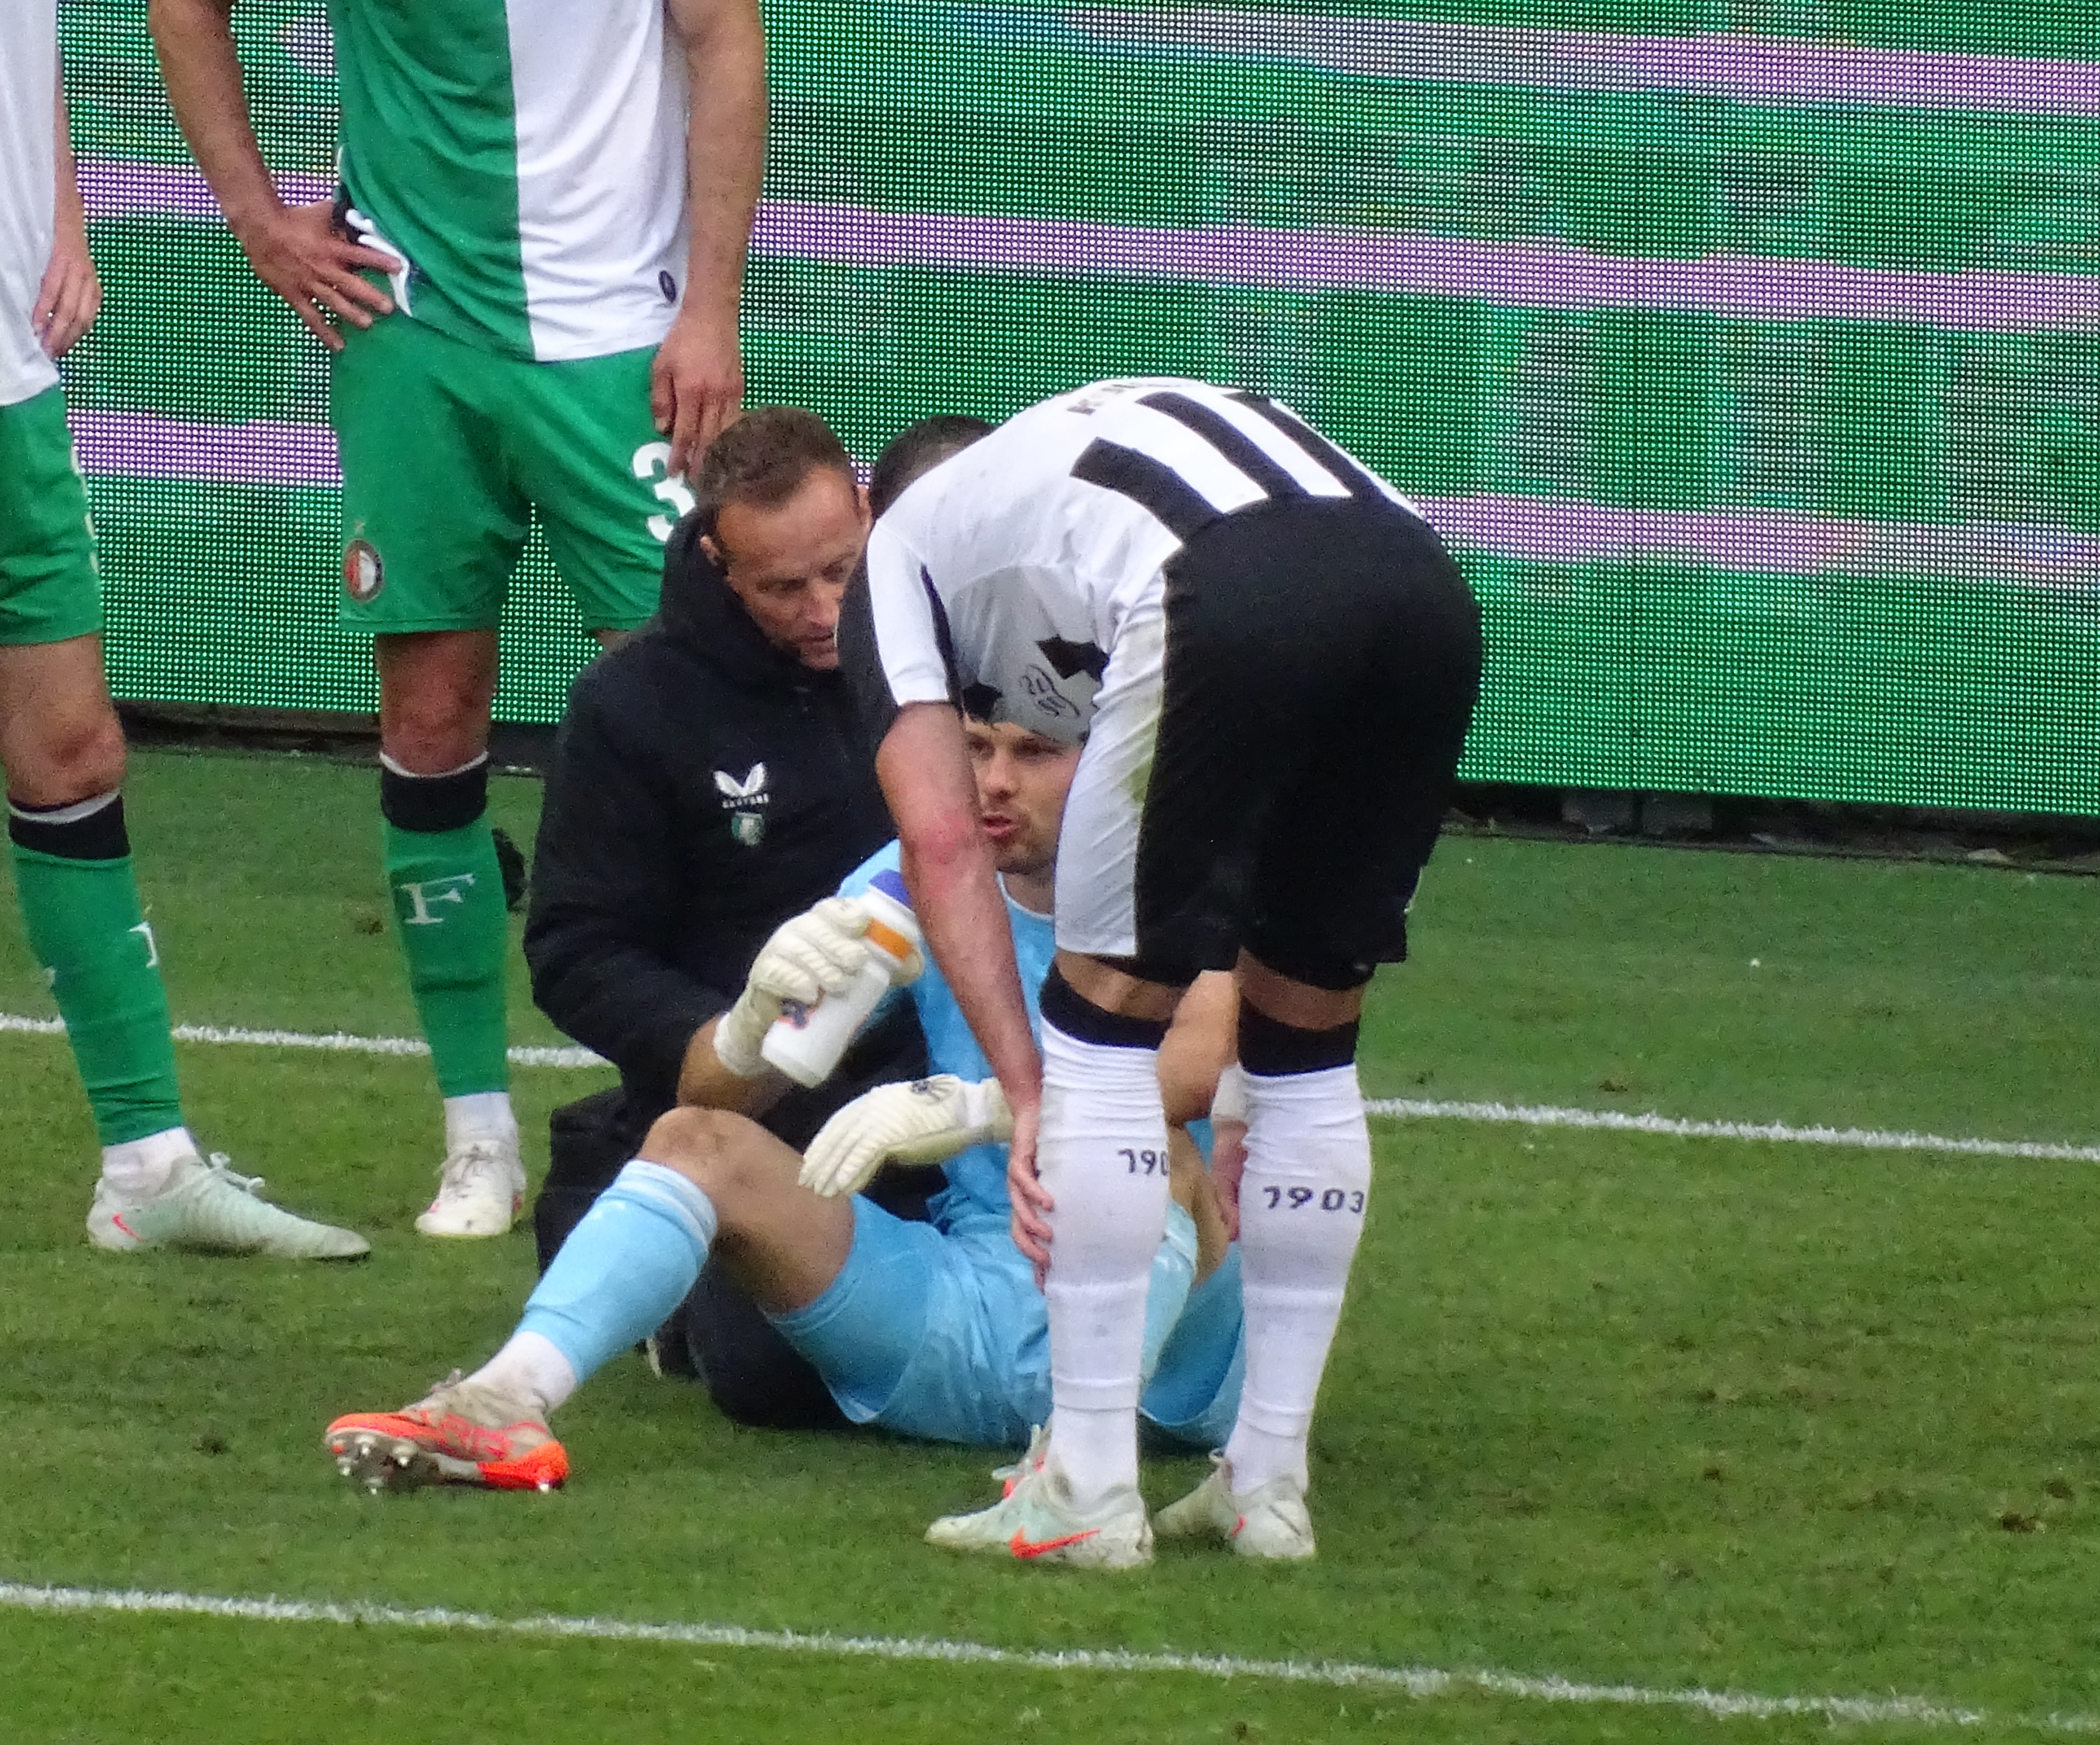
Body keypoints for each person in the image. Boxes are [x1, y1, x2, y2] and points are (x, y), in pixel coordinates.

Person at [149, 0, 765, 1236]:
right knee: (430, 723)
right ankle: (477, 1137)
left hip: (622, 341)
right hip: (413, 338)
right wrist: (257, 219)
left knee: (688, 718)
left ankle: (699, 1116)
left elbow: (724, 38)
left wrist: (712, 307)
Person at [852, 376, 1483, 1564]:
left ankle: (1087, 1488)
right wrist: (1235, 1093)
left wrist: (1024, 1091)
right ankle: (1268, 1485)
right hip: (1422, 579)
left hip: (1221, 581)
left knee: (1097, 1036)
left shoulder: (896, 558)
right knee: (1306, 1050)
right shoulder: (1039, 495)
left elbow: (937, 840)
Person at [322, 712, 1242, 1489]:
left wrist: (977, 1108)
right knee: (695, 1141)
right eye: (973, 747)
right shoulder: (917, 872)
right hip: (963, 1310)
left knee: (1152, 1151)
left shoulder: (1177, 877)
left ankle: (1083, 1478)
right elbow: (718, 1095)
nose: (994, 782)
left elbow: (1196, 1064)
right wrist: (749, 1023)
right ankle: (501, 1404)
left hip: (1165, 1364)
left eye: (1034, 752)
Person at [0, 3, 365, 1264]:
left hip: (4, 361)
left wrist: (66, 214)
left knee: (74, 754)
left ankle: (148, 1167)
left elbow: (11, 60)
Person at [521, 406, 937, 1427]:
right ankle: (639, 1203)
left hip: (947, 1085)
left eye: (841, 571)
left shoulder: (947, 657)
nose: (823, 610)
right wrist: (725, 1037)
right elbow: (577, 949)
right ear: (717, 560)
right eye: (783, 588)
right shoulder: (634, 706)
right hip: (757, 1106)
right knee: (777, 1380)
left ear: (870, 513)